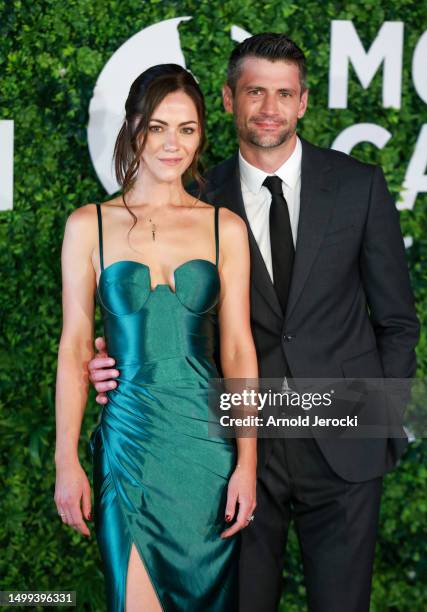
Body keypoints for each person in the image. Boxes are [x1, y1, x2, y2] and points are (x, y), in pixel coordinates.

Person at [89, 34, 420, 612]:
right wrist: (114, 359)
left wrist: (379, 420)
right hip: (233, 451)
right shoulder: (194, 194)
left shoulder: (357, 185)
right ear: (227, 99)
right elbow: (173, 323)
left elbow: (397, 321)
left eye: (284, 93)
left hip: (344, 444)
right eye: (255, 92)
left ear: (304, 102)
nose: (269, 108)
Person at [54, 64, 258, 612]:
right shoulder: (88, 226)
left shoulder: (225, 228)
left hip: (208, 452)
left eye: (187, 129)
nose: (173, 144)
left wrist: (247, 463)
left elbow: (238, 348)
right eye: (159, 127)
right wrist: (65, 461)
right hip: (130, 446)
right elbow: (75, 348)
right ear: (134, 128)